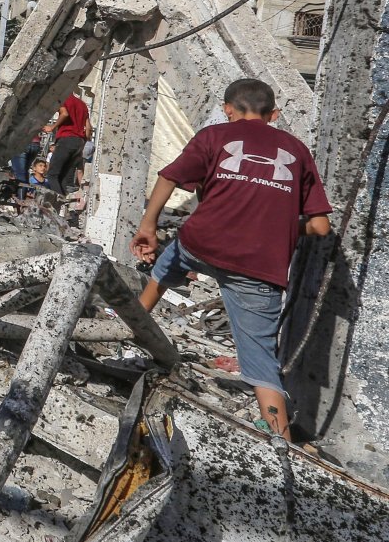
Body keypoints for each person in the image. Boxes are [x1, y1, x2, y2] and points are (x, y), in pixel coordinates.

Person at [130, 78, 332, 440]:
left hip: (201, 243)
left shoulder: (214, 136)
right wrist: (282, 227)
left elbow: (169, 176)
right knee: (259, 357)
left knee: (165, 268)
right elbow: (319, 226)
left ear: (228, 109)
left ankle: (128, 329)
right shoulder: (297, 150)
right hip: (259, 265)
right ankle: (281, 441)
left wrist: (148, 225)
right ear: (274, 114)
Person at [44, 91, 90, 197]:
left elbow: (64, 113)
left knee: (52, 174)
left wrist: (52, 127)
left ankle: (60, 200)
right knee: (64, 177)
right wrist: (84, 142)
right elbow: (88, 127)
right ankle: (63, 202)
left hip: (66, 139)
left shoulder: (63, 98)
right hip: (79, 142)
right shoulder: (82, 104)